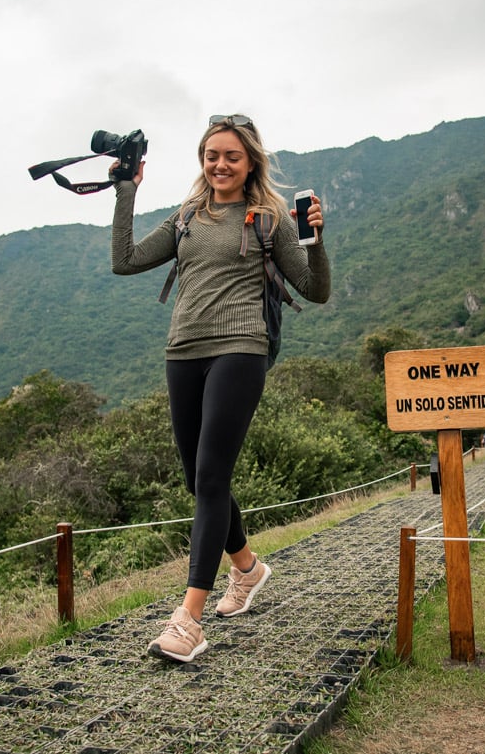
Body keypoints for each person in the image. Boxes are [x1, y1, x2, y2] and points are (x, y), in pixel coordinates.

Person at [110, 113, 331, 663]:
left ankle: (188, 620)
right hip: (183, 351)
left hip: (241, 348)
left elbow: (315, 289)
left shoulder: (267, 219)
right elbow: (125, 260)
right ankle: (249, 571)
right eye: (212, 155)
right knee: (197, 477)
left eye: (231, 156)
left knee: (211, 475)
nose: (220, 165)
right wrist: (124, 193)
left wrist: (315, 240)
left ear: (250, 160)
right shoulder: (187, 216)